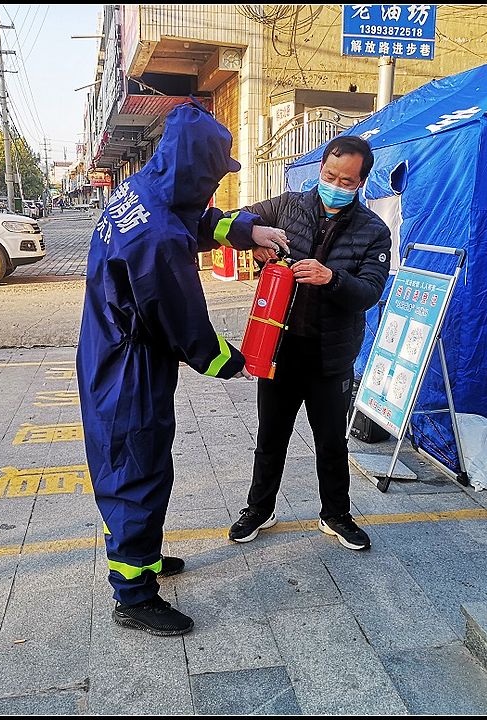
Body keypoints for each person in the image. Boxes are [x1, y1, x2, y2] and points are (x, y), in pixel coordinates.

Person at [76, 100, 288, 637]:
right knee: (134, 467)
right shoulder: (158, 238)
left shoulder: (142, 189)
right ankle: (133, 594)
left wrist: (248, 230)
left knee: (146, 461)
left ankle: (143, 557)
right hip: (130, 366)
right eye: (213, 176)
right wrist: (228, 360)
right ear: (196, 170)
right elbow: (182, 316)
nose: (215, 186)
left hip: (114, 345)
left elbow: (193, 217)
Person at [225, 135, 392, 551]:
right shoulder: (286, 206)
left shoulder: (373, 231)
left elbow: (370, 292)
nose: (335, 184)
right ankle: (259, 509)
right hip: (281, 351)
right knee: (271, 437)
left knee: (332, 442)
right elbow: (234, 223)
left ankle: (335, 514)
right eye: (329, 175)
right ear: (321, 169)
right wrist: (256, 242)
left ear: (361, 182)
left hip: (331, 356)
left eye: (346, 181)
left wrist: (331, 278)